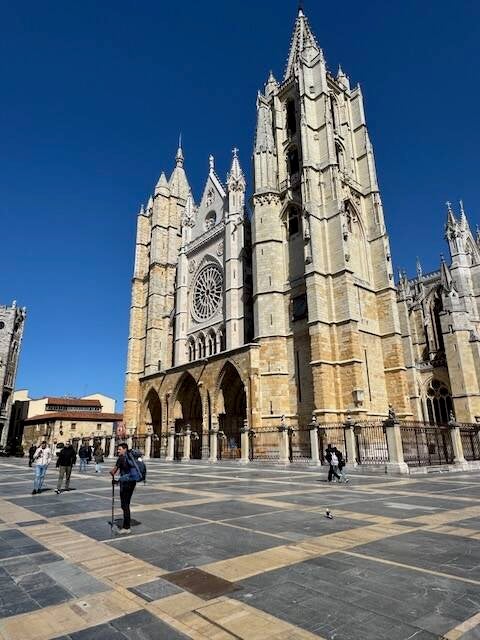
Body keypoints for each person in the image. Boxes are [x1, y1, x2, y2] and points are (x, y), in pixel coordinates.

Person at [110, 442, 138, 535]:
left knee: (124, 505)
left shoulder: (121, 458)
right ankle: (127, 524)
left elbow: (113, 471)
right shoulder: (131, 457)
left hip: (125, 484)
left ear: (125, 449)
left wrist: (112, 473)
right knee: (126, 504)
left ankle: (126, 527)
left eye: (120, 449)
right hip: (132, 483)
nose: (118, 451)